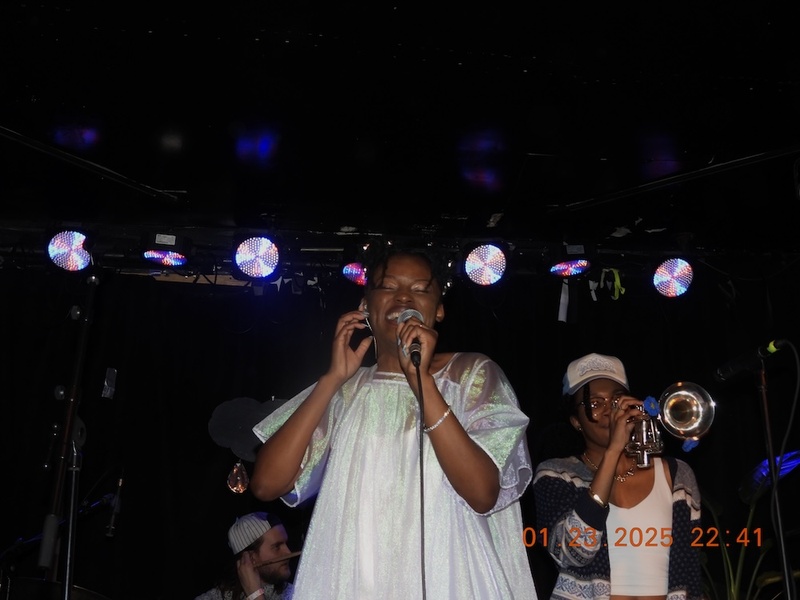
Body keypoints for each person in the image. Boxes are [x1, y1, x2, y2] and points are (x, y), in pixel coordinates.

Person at [248, 241, 538, 599]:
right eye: (389, 287)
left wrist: (422, 384)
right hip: (356, 576)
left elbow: (482, 493)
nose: (404, 299)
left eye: (420, 290)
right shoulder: (346, 390)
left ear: (440, 310)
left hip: (450, 575)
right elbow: (266, 484)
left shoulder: (471, 373)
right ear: (365, 306)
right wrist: (331, 381)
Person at [532, 352, 703, 600]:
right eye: (594, 404)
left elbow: (689, 568)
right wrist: (613, 450)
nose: (609, 412)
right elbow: (571, 551)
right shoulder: (557, 474)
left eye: (616, 400)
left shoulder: (678, 475)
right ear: (575, 421)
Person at [195, 511, 295, 600]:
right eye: (277, 547)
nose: (288, 552)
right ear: (250, 558)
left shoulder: (299, 593)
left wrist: (255, 595)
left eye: (286, 544)